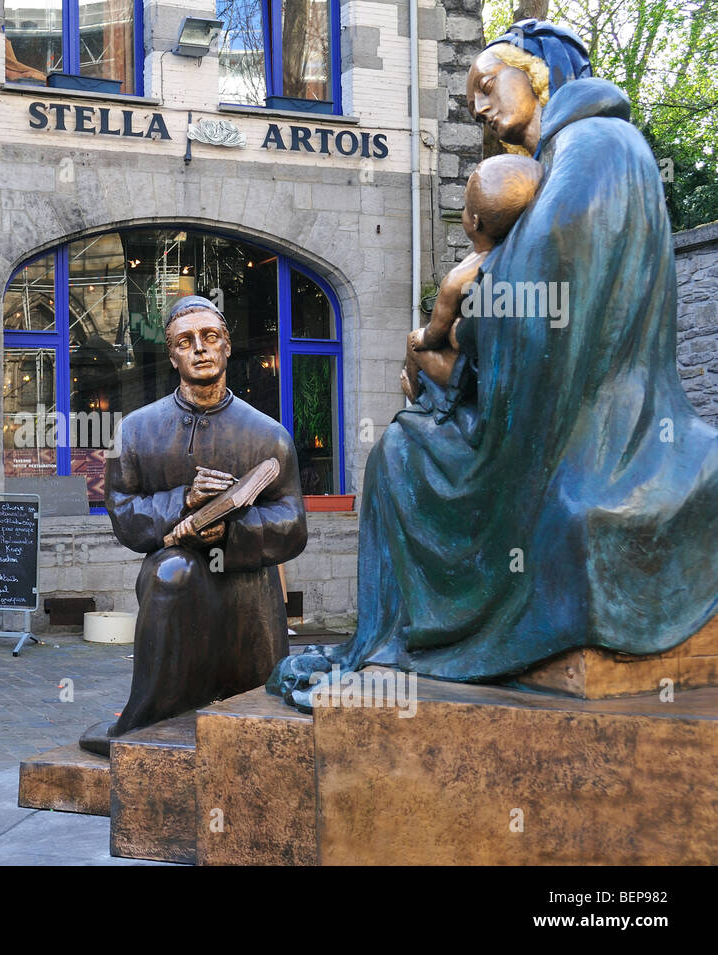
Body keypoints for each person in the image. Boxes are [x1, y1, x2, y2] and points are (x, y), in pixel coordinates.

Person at [273, 20, 718, 701]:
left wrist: (469, 310)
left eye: (486, 87)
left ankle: (420, 636)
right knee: (400, 449)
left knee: (397, 458)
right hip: (539, 402)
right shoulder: (570, 154)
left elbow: (550, 272)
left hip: (591, 427)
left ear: (536, 74)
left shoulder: (598, 142)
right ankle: (401, 635)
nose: (477, 109)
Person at [79, 295, 307, 755]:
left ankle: (251, 713)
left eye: (210, 338)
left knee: (260, 718)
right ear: (172, 355)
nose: (200, 348)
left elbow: (292, 523)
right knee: (171, 572)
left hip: (244, 575)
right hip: (175, 565)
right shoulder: (136, 432)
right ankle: (145, 718)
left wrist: (230, 531)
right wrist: (182, 501)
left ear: (226, 348)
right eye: (186, 341)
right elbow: (123, 513)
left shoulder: (267, 435)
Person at [401, 154, 543, 401]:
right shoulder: (519, 258)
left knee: (412, 341)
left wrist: (421, 339)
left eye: (466, 208)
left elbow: (435, 333)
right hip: (501, 364)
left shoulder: (457, 279)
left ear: (475, 222)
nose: (463, 212)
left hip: (465, 373)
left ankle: (415, 398)